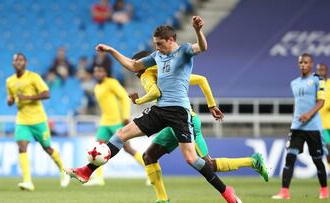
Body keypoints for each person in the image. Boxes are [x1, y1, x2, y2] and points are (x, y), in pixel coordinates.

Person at [66, 16, 241, 203]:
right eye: (155, 44)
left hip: (179, 112)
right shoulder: (157, 56)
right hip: (159, 110)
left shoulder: (184, 51)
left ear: (171, 40)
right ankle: (86, 171)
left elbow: (203, 47)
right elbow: (133, 65)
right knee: (120, 134)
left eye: (159, 43)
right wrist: (111, 51)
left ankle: (226, 192)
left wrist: (198, 31)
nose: (157, 47)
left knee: (192, 159)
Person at [129, 50, 269, 202]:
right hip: (172, 123)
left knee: (208, 165)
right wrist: (211, 106)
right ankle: (162, 199)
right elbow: (201, 80)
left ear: (145, 63)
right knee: (149, 156)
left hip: (188, 122)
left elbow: (160, 91)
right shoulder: (161, 74)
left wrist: (138, 101)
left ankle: (252, 161)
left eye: (136, 64)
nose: (133, 68)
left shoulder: (157, 74)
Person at [6, 53, 70, 191]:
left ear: (25, 62)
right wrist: (10, 101)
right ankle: (27, 181)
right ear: (12, 63)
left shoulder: (33, 77)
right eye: (15, 60)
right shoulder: (9, 81)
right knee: (22, 147)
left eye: (20, 60)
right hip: (22, 121)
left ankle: (64, 171)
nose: (18, 62)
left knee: (47, 148)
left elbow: (47, 93)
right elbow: (11, 99)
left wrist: (27, 97)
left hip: (39, 120)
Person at [272, 53, 329, 199]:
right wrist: (296, 118)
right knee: (290, 157)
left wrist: (308, 115)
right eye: (300, 62)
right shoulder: (294, 83)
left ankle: (324, 190)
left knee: (317, 160)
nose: (303, 65)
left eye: (305, 62)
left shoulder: (318, 80)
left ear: (311, 64)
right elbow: (298, 104)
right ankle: (284, 192)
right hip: (297, 127)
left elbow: (321, 102)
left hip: (313, 127)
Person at [83, 65, 145, 186]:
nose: (97, 73)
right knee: (98, 150)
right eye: (95, 71)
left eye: (100, 71)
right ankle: (99, 178)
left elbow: (124, 98)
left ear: (106, 72)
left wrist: (125, 117)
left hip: (117, 122)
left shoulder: (111, 83)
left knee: (128, 149)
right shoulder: (97, 87)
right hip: (105, 123)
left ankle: (150, 170)